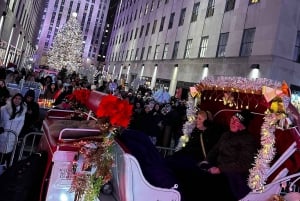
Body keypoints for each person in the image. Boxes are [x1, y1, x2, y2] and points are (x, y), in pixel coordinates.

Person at [180, 109, 258, 201]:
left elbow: (244, 164)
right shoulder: (226, 135)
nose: (232, 122)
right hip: (217, 169)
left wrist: (220, 169)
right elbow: (214, 151)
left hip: (231, 176)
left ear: (243, 125)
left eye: (236, 121)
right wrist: (206, 161)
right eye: (232, 119)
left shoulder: (248, 140)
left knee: (201, 184)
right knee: (189, 174)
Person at [165, 110, 222, 187]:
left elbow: (209, 154)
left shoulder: (212, 135)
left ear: (207, 122)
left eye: (200, 119)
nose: (196, 121)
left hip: (195, 162)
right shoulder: (196, 133)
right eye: (197, 118)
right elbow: (187, 148)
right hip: (185, 158)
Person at [0, 93, 27, 166]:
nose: (17, 100)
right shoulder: (3, 109)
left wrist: (16, 135)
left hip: (13, 136)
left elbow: (21, 124)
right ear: (12, 99)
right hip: (2, 134)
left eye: (19, 99)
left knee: (9, 154)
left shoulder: (22, 112)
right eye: (16, 98)